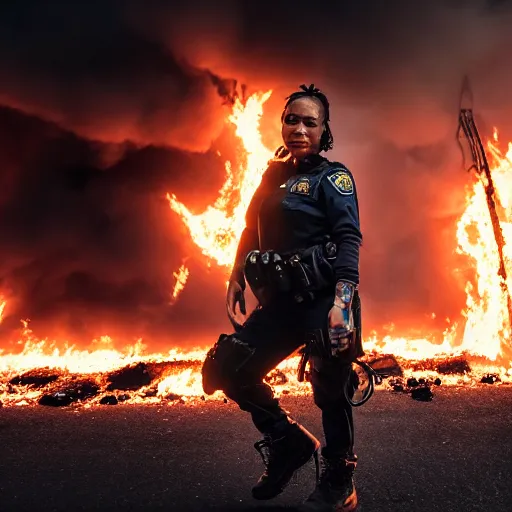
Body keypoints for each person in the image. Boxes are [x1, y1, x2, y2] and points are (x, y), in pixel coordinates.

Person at [201, 84, 363, 511]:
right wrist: (238, 273)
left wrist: (342, 304)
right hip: (279, 304)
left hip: (323, 302)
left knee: (330, 387)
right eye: (292, 119)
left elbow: (348, 239)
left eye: (310, 122)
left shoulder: (334, 177)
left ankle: (340, 478)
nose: (299, 129)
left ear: (324, 131)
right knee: (229, 368)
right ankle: (286, 440)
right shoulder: (273, 176)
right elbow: (250, 227)